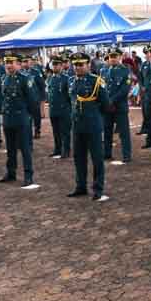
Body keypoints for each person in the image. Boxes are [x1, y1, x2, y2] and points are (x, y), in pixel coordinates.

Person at [66, 52, 111, 202]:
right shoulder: (71, 81)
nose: (77, 67)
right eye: (75, 65)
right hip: (77, 125)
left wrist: (96, 119)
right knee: (78, 157)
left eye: (81, 64)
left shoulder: (97, 81)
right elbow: (70, 101)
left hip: (93, 125)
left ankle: (98, 188)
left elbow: (106, 105)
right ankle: (81, 186)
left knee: (97, 158)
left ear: (88, 65)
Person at [0, 54, 38, 187]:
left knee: (25, 148)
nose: (8, 65)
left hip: (21, 118)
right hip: (8, 118)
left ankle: (28, 175)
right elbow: (4, 97)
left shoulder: (26, 79)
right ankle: (11, 172)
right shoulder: (5, 78)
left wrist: (29, 116)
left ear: (19, 64)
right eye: (6, 62)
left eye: (11, 62)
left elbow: (32, 101)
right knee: (10, 148)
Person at [101, 47, 132, 163]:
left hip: (120, 106)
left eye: (115, 56)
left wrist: (111, 100)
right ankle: (107, 153)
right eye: (111, 57)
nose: (113, 59)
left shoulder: (125, 70)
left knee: (124, 133)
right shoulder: (103, 71)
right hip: (107, 107)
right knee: (107, 131)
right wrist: (105, 101)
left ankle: (126, 155)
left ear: (120, 57)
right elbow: (102, 88)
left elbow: (125, 89)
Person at [46, 56, 71, 158]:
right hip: (53, 109)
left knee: (65, 131)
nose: (55, 67)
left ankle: (66, 150)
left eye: (57, 65)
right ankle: (57, 149)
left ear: (61, 66)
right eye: (53, 65)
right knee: (55, 131)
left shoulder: (66, 79)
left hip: (64, 109)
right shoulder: (50, 78)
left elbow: (70, 96)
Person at [21, 56, 46, 139]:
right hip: (25, 100)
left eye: (26, 61)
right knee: (27, 117)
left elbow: (42, 86)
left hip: (35, 99)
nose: (25, 63)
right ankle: (28, 132)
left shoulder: (36, 72)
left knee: (36, 116)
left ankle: (37, 130)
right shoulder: (20, 73)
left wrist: (42, 100)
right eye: (23, 61)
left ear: (30, 62)